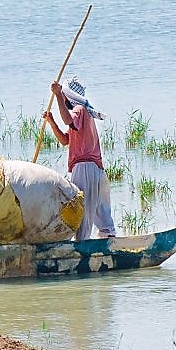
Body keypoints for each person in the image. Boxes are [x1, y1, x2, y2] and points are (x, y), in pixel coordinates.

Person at [43, 76, 118, 240]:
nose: (63, 99)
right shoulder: (84, 114)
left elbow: (68, 119)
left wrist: (57, 95)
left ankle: (82, 244)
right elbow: (65, 140)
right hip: (96, 169)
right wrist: (52, 122)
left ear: (68, 97)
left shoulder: (79, 110)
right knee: (100, 209)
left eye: (64, 96)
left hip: (84, 167)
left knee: (82, 208)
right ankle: (108, 238)